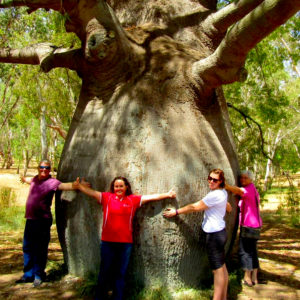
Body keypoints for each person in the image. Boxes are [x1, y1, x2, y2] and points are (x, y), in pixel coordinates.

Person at [75, 176, 176, 300]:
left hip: (125, 243)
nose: (118, 188)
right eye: (116, 186)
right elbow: (91, 193)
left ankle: (118, 297)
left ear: (126, 187)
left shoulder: (132, 200)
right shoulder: (107, 197)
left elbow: (150, 197)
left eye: (121, 186)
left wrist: (167, 194)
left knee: (120, 273)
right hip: (107, 242)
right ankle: (100, 297)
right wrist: (79, 186)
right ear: (113, 187)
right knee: (104, 272)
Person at [163, 169, 232, 300]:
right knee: (222, 266)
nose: (211, 181)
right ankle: (223, 297)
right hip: (220, 232)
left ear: (221, 181)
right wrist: (227, 207)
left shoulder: (214, 195)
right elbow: (227, 205)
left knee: (217, 270)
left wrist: (176, 212)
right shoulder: (222, 192)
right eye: (210, 178)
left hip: (214, 236)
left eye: (215, 180)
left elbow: (195, 207)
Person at [16, 159, 83, 287]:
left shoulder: (52, 182)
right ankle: (28, 274)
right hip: (30, 219)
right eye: (41, 167)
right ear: (38, 168)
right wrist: (24, 180)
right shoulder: (35, 179)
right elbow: (30, 181)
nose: (44, 170)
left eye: (47, 168)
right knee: (27, 247)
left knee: (40, 249)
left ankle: (38, 275)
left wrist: (76, 185)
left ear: (50, 169)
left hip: (42, 220)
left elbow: (65, 186)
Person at [225, 170, 262, 287]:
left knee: (245, 251)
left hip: (249, 225)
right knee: (252, 250)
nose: (243, 180)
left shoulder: (248, 189)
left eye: (246, 178)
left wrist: (225, 186)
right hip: (256, 225)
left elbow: (238, 190)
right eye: (242, 178)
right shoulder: (253, 189)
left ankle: (247, 277)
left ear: (251, 179)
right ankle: (255, 277)